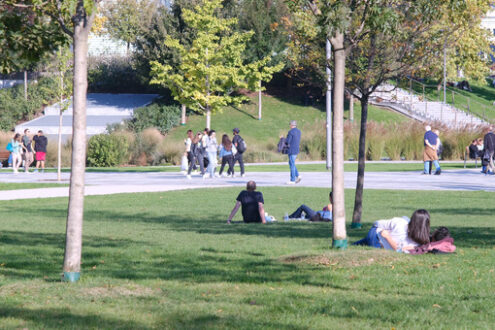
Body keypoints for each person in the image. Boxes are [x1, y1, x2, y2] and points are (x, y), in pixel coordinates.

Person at [352, 209, 431, 253]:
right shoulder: (400, 224)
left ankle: (353, 244)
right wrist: (385, 233)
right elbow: (376, 224)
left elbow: (399, 250)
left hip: (382, 237)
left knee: (357, 245)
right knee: (375, 250)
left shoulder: (420, 241)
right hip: (376, 234)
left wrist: (387, 236)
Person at [286, 120, 301, 184]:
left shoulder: (290, 132)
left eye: (290, 124)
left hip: (291, 150)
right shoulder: (299, 131)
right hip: (296, 149)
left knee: (292, 164)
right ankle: (297, 175)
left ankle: (292, 180)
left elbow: (288, 141)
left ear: (291, 125)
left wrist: (282, 138)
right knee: (291, 163)